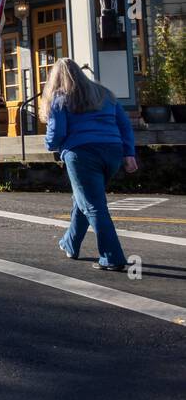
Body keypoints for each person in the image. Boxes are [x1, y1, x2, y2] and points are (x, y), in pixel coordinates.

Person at [42, 58, 136, 271]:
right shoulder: (105, 94)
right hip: (112, 152)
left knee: (93, 205)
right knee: (83, 199)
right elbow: (124, 125)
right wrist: (129, 152)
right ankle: (70, 243)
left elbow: (57, 133)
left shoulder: (60, 97)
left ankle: (112, 257)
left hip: (82, 154)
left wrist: (50, 145)